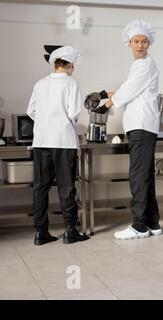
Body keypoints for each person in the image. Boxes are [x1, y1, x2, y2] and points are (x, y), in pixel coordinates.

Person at [99, 20, 161, 240]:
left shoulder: (144, 64)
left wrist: (106, 104)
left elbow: (130, 89)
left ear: (148, 44)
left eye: (144, 41)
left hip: (142, 125)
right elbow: (132, 89)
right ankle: (153, 223)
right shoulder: (140, 66)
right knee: (145, 174)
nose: (140, 45)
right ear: (129, 43)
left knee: (138, 175)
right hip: (142, 125)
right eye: (136, 41)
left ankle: (139, 226)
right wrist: (109, 94)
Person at [27, 45, 89, 245]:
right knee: (66, 186)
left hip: (41, 141)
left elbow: (31, 111)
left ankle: (40, 232)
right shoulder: (71, 83)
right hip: (63, 141)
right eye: (73, 66)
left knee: (40, 188)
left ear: (56, 65)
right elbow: (73, 113)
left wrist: (46, 122)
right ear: (69, 65)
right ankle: (70, 231)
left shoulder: (40, 83)